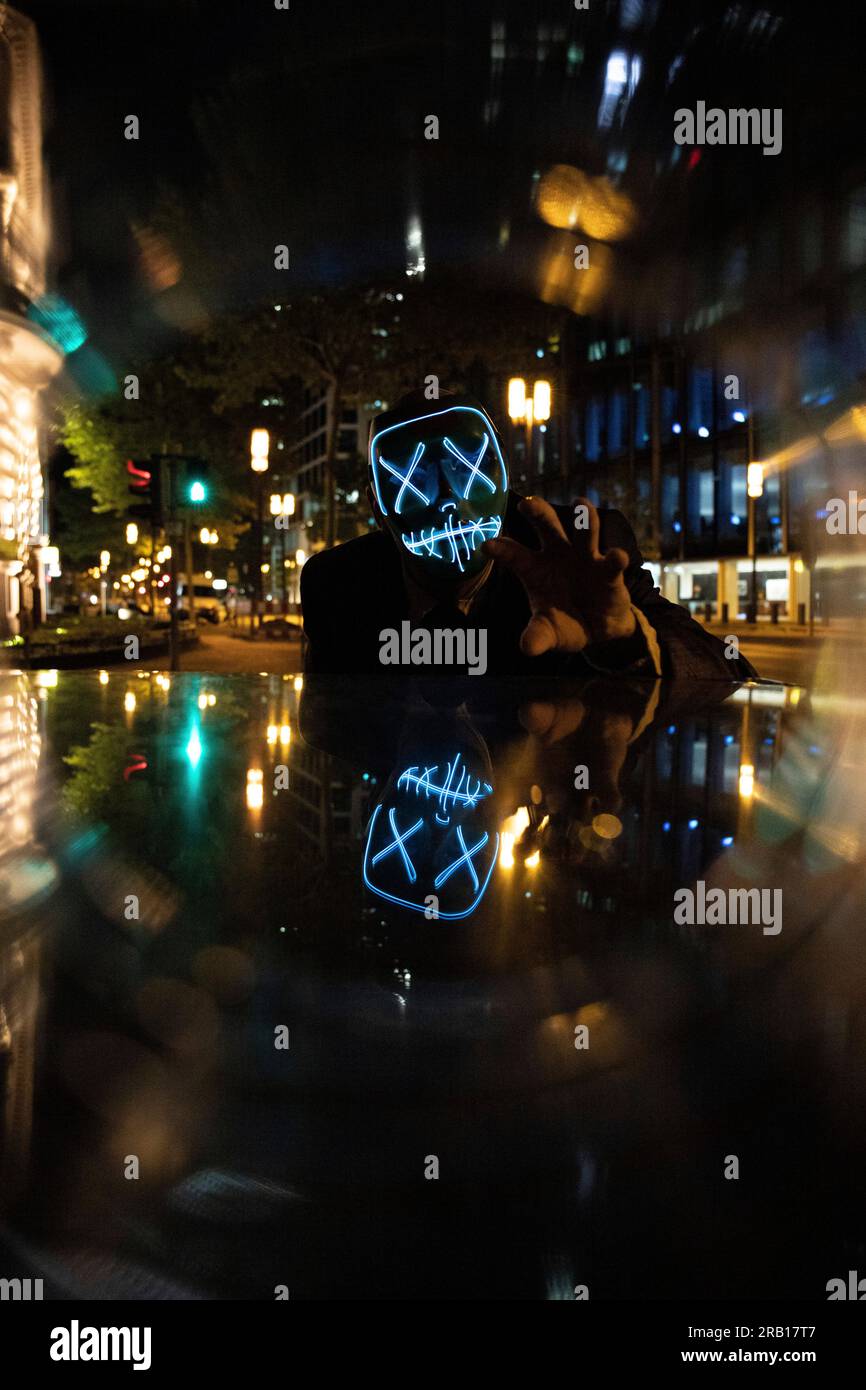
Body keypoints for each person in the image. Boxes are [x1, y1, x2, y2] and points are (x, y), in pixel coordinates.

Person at [301, 389, 757, 680]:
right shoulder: (340, 585)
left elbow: (733, 674)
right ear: (378, 505)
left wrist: (623, 641)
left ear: (504, 480)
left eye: (467, 470)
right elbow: (333, 727)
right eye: (413, 480)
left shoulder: (579, 551)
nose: (449, 501)